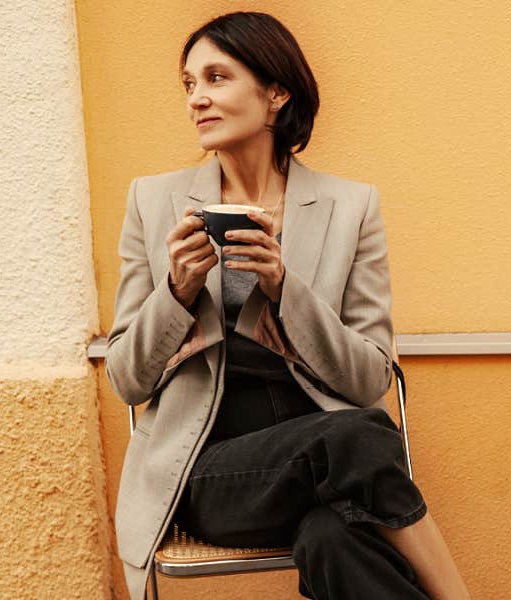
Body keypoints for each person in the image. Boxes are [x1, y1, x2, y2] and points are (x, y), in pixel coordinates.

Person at [105, 12, 470, 600]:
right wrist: (175, 291)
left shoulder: (350, 207)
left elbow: (370, 376)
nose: (197, 98)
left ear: (276, 94)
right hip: (209, 472)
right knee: (356, 436)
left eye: (217, 78)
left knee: (336, 539)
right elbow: (126, 378)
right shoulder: (153, 202)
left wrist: (285, 289)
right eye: (189, 83)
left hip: (325, 462)